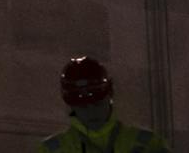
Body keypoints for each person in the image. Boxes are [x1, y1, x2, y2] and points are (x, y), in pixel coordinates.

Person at [40, 56, 169, 151]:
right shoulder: (52, 149)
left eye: (97, 104)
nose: (91, 112)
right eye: (83, 107)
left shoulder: (148, 144)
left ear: (110, 95)